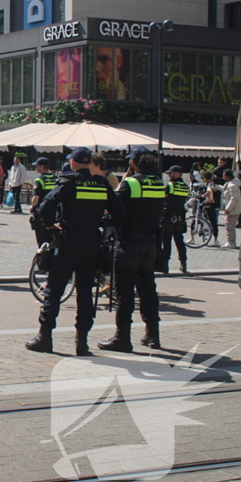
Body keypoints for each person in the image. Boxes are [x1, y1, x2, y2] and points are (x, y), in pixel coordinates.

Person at [26, 146, 124, 355]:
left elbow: (45, 208)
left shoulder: (69, 182)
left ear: (72, 162)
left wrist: (52, 227)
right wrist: (102, 223)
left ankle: (45, 337)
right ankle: (82, 342)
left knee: (54, 290)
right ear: (89, 164)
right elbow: (119, 213)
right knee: (85, 292)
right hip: (92, 243)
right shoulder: (101, 184)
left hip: (69, 241)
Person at [99, 147, 166, 353]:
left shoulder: (131, 183)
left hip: (129, 243)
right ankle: (152, 335)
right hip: (151, 242)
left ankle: (122, 338)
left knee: (124, 292)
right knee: (147, 289)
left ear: (135, 162)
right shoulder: (159, 183)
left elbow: (114, 206)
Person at [160, 165, 190, 274]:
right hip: (180, 217)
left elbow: (162, 197)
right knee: (179, 241)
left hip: (168, 216)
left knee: (166, 242)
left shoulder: (170, 186)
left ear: (177, 174)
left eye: (171, 173)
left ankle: (165, 266)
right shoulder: (185, 186)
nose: (168, 175)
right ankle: (183, 264)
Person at [30, 158, 57, 247]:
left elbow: (36, 198)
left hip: (42, 212)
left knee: (42, 239)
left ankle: (43, 257)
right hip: (55, 212)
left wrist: (32, 207)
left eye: (37, 166)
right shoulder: (56, 179)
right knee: (53, 238)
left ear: (42, 167)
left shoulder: (39, 180)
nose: (36, 168)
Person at [221, 169, 241, 249]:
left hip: (233, 210)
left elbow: (234, 198)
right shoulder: (228, 184)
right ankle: (230, 241)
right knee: (228, 225)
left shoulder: (232, 185)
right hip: (232, 209)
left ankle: (231, 242)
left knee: (230, 226)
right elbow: (224, 189)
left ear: (227, 176)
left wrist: (228, 209)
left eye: (224, 175)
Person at [200, 171, 220, 247]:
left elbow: (217, 197)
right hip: (203, 206)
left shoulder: (214, 187)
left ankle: (215, 238)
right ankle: (204, 238)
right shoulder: (202, 186)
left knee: (213, 222)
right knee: (202, 221)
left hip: (212, 207)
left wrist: (214, 201)